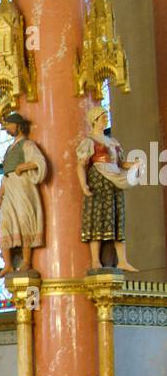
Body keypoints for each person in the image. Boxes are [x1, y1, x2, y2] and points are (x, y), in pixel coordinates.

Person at [76, 104, 142, 272]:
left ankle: (122, 260)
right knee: (97, 219)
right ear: (94, 120)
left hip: (114, 183)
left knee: (118, 219)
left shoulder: (112, 142)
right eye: (103, 116)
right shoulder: (89, 141)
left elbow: (120, 163)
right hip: (99, 182)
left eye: (106, 116)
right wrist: (83, 184)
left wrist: (135, 164)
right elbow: (81, 165)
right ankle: (95, 260)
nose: (106, 119)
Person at [0, 111, 47, 274]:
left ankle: (26, 260)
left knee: (25, 219)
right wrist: (0, 193)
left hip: (22, 187)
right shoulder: (10, 148)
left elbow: (40, 162)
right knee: (5, 222)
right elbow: (5, 173)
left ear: (18, 125)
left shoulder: (27, 145)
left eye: (9, 125)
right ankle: (8, 263)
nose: (7, 129)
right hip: (9, 186)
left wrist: (22, 167)